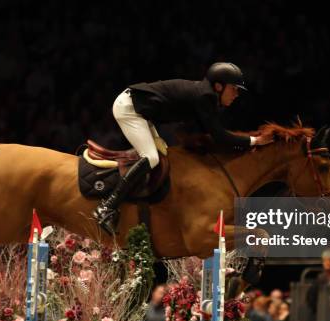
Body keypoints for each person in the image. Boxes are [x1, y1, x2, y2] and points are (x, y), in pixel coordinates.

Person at [93, 62, 274, 234]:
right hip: (130, 109)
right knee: (151, 157)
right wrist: (254, 141)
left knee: (161, 153)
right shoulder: (205, 96)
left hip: (141, 110)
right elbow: (219, 136)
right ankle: (107, 207)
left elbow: (203, 133)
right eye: (234, 89)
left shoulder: (206, 97)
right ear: (219, 87)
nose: (236, 94)